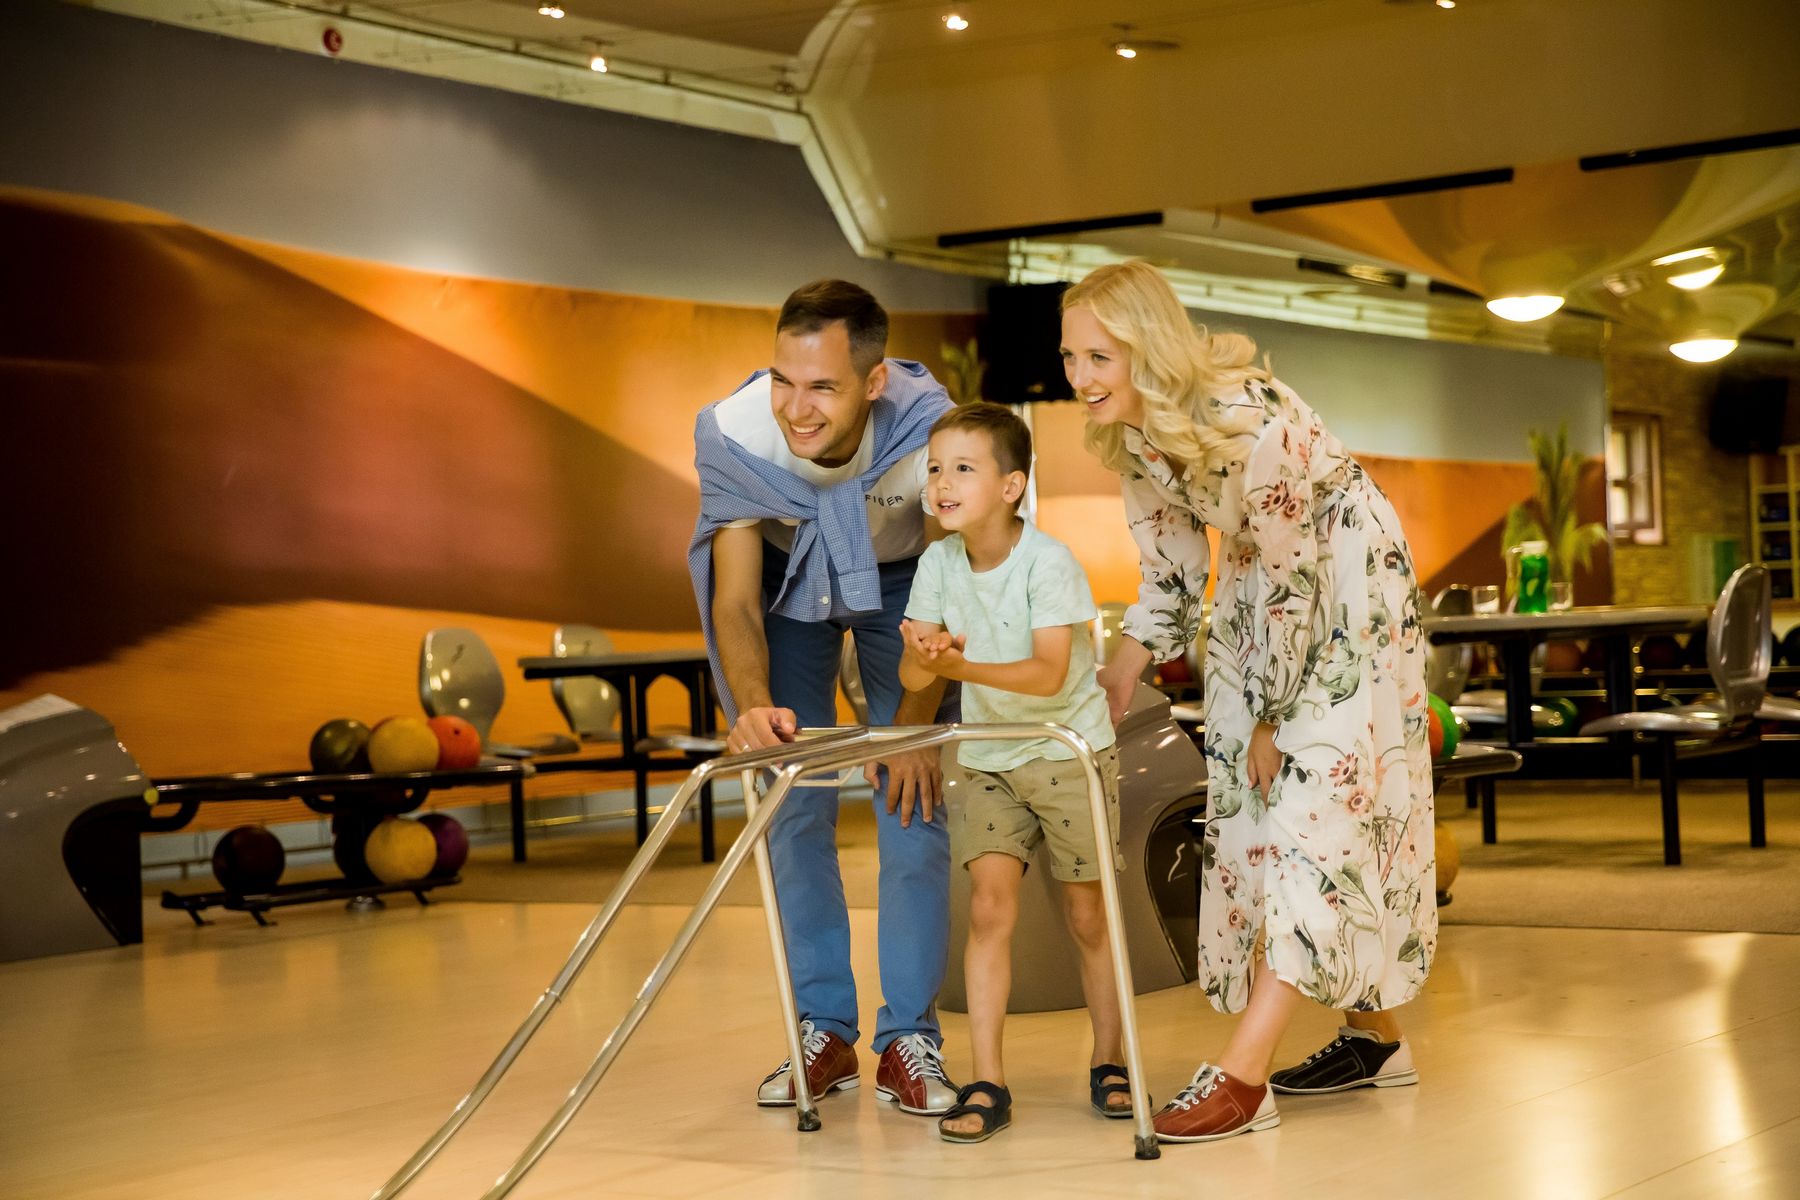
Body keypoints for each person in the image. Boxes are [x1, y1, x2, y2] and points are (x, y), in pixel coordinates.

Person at [1060, 260, 1436, 1144]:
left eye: (1099, 357)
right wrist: (1121, 669)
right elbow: (1172, 569)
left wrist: (1271, 716)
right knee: (1274, 814)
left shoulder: (1246, 419)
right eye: (1070, 357)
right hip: (1260, 590)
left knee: (1318, 808)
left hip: (1342, 585)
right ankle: (1375, 1039)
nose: (1080, 377)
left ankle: (1243, 1076)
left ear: (1147, 348)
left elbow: (1299, 576)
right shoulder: (1130, 436)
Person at [688, 279, 960, 1117]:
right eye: (783, 379)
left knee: (911, 793)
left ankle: (909, 1036)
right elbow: (737, 600)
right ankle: (825, 1030)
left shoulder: (931, 432)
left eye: (822, 388)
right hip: (785, 579)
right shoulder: (734, 434)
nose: (795, 409)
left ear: (873, 384)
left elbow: (949, 584)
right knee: (791, 797)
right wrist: (754, 706)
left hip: (907, 580)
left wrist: (912, 731)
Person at [896, 402, 1128, 1144]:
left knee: (1089, 916)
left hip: (1066, 752)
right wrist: (926, 658)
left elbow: (1049, 673)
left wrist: (957, 667)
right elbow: (916, 674)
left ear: (1010, 486)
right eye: (935, 468)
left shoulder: (1048, 562)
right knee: (990, 912)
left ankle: (1111, 1060)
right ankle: (988, 1080)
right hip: (990, 758)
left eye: (963, 468)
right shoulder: (937, 564)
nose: (942, 483)